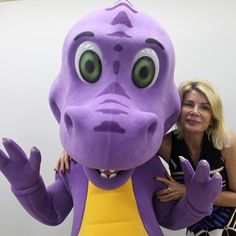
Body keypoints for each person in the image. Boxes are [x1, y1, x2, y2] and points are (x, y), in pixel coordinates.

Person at [55, 80, 236, 235]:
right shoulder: (164, 144)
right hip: (196, 225)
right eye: (189, 104)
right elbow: (129, 144)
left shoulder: (227, 142)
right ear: (179, 111)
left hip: (230, 221)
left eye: (204, 108)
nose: (195, 112)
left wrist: (187, 191)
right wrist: (74, 150)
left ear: (213, 117)